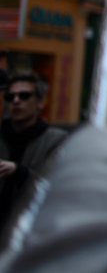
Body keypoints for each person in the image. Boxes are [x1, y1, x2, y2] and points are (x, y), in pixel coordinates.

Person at [0, 71, 68, 222]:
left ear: (40, 102)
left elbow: (57, 188)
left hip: (31, 225)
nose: (16, 101)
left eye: (24, 96)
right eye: (10, 97)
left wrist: (18, 172)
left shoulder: (56, 140)